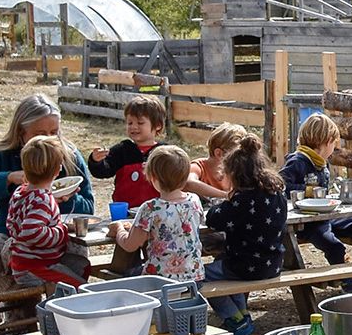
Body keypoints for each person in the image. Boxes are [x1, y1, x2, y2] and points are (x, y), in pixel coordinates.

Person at [0, 92, 93, 294]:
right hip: (8, 234)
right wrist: (7, 178)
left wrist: (66, 198)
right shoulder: (3, 155)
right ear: (21, 133)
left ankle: (62, 313)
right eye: (40, 134)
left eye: (54, 132)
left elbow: (89, 207)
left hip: (56, 237)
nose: (49, 139)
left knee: (75, 259)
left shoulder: (69, 156)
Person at [200, 133, 286, 335]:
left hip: (244, 267)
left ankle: (235, 318)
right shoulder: (276, 194)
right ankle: (243, 315)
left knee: (199, 277)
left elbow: (214, 219)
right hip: (273, 264)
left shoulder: (241, 201)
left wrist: (224, 201)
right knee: (223, 264)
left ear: (234, 175)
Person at [5, 135, 91, 290]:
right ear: (58, 170)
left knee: (82, 265)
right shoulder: (42, 199)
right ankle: (55, 310)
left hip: (22, 261)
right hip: (35, 266)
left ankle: (56, 299)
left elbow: (14, 224)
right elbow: (31, 232)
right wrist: (61, 231)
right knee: (81, 288)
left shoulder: (21, 191)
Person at [113, 144, 205, 283]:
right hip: (194, 278)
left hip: (160, 280)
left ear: (152, 177)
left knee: (125, 277)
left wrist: (118, 229)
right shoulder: (194, 200)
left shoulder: (150, 208)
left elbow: (130, 245)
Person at [282, 113, 352, 266]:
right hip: (306, 222)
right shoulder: (298, 161)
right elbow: (280, 186)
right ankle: (347, 282)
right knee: (334, 246)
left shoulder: (321, 163)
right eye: (334, 143)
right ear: (327, 142)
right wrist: (307, 191)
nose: (334, 149)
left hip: (325, 215)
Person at [88, 95, 167, 213]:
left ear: (157, 126)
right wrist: (96, 161)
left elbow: (175, 178)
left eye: (140, 123)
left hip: (158, 211)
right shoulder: (122, 150)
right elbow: (103, 172)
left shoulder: (164, 152)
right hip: (126, 212)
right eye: (130, 123)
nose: (134, 127)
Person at [187, 122, 250, 203]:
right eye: (236, 155)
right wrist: (225, 195)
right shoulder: (199, 167)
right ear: (219, 153)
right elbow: (189, 182)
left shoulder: (235, 173)